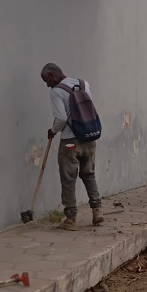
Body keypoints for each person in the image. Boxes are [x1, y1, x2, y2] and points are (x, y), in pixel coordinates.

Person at [40, 63, 103, 231]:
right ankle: (97, 210)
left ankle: (70, 219)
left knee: (68, 179)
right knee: (89, 174)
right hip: (89, 137)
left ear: (53, 75)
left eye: (46, 80)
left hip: (70, 141)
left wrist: (53, 131)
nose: (47, 85)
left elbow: (60, 118)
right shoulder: (84, 84)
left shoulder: (56, 91)